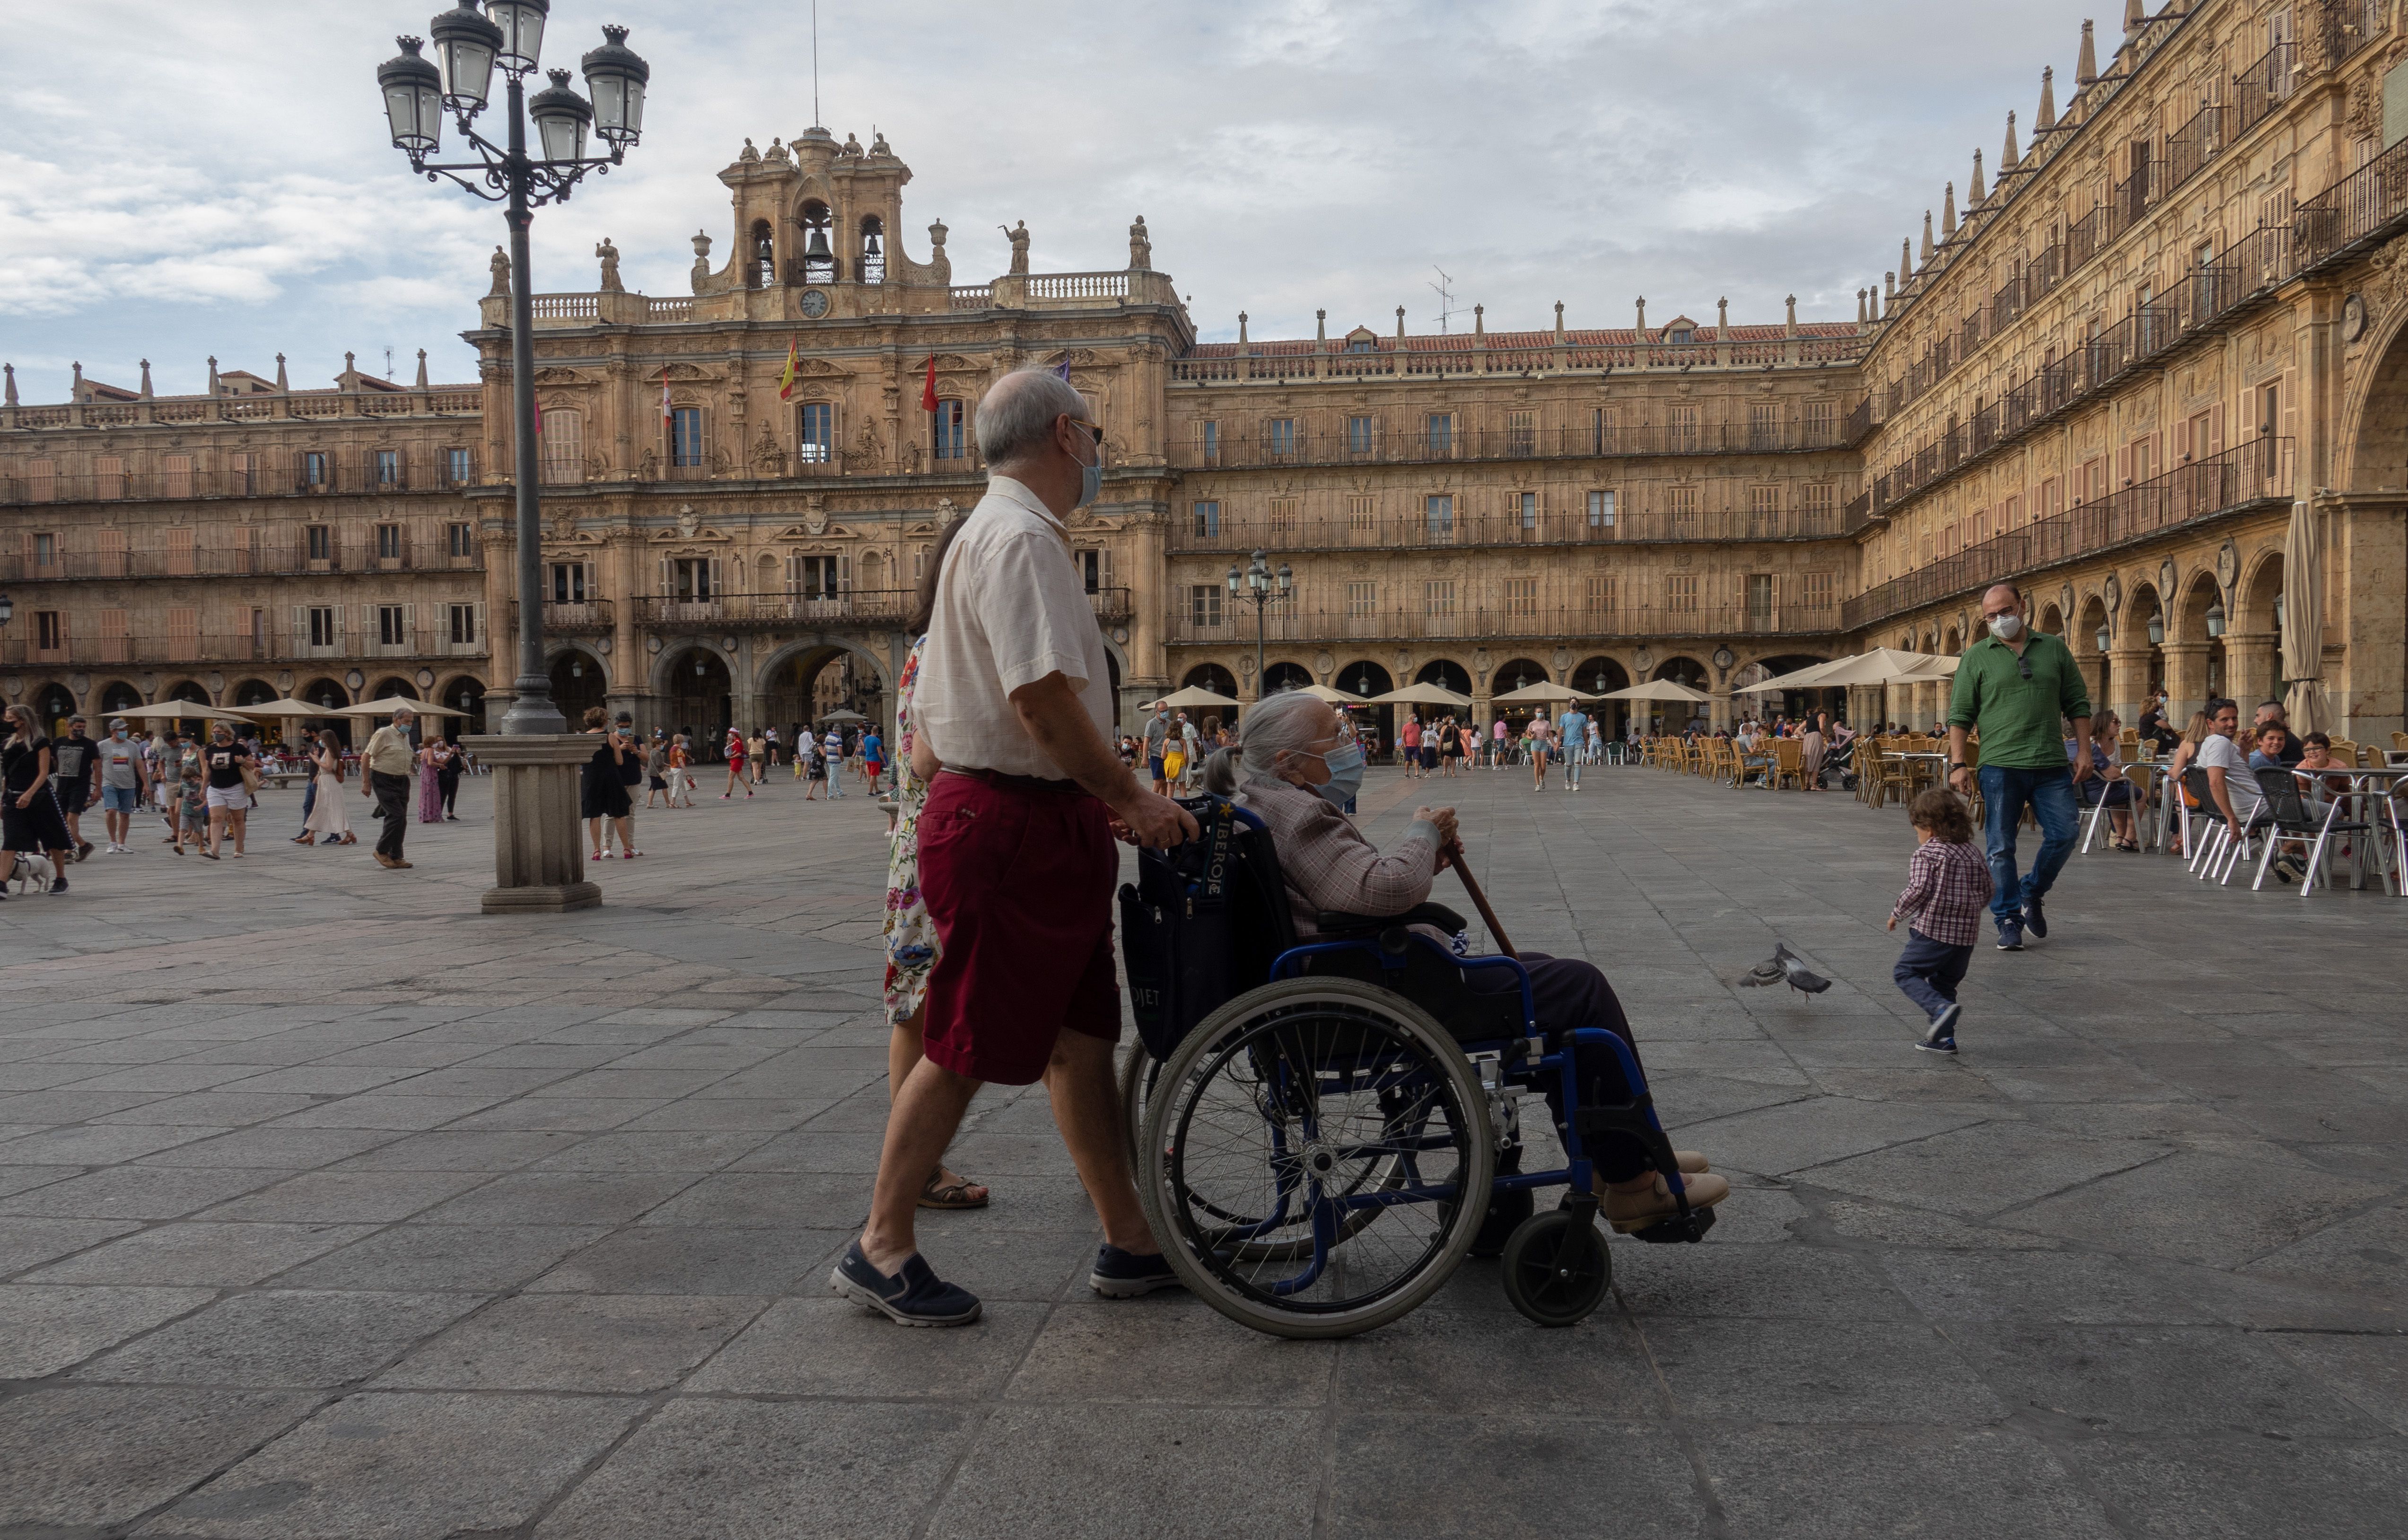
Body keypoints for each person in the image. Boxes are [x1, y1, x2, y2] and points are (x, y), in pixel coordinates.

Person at [837, 367, 1196, 1328]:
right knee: (961, 1042)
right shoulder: (1018, 539)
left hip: (1037, 818)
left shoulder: (1005, 534)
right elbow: (1039, 701)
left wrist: (1101, 802)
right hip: (1006, 822)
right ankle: (881, 1244)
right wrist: (1127, 793)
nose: (1102, 453)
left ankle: (1129, 1236)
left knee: (1082, 1040)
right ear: (1067, 436)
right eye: (1096, 435)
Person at [1199, 692, 1726, 1232]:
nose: (1348, 746)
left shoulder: (1266, 804)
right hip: (1371, 988)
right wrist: (1422, 833)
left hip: (1346, 977)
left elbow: (1343, 887)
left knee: (1542, 974)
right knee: (1578, 988)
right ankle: (1635, 1184)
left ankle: (1617, 1158)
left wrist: (1426, 857)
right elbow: (1378, 888)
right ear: (1288, 761)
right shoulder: (1298, 812)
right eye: (1334, 738)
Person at [881, 514, 988, 1212]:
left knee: (917, 1003)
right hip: (938, 844)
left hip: (923, 839)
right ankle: (916, 1166)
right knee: (918, 1003)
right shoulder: (943, 649)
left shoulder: (934, 646)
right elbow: (926, 756)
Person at [1945, 583, 2092, 951]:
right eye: (1991, 616)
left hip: (2050, 762)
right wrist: (1958, 763)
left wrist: (2084, 750)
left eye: (2005, 611)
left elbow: (2077, 702)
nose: (1999, 620)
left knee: (2065, 834)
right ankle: (2007, 918)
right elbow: (1960, 714)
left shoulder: (2054, 648)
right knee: (1999, 847)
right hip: (1999, 765)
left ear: (2022, 607)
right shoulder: (1977, 656)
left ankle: (2032, 890)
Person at [1888, 787, 1993, 1055]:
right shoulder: (1973, 852)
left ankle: (1939, 1008)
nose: (1918, 837)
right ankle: (1944, 1040)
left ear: (1929, 828)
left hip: (1933, 931)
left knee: (1906, 973)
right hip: (1966, 938)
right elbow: (1988, 890)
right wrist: (1969, 910)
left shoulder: (1928, 854)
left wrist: (1898, 913)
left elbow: (1919, 889)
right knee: (1945, 984)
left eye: (1917, 831)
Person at [1, 705, 75, 895]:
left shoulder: (40, 742)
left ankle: (61, 878)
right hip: (13, 797)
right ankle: (1, 883)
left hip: (41, 797)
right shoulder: (7, 745)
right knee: (10, 840)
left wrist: (29, 794)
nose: (6, 721)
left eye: (10, 718)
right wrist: (2, 799)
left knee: (52, 838)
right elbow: (6, 776)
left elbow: (44, 773)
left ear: (22, 721)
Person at [359, 706, 418, 870]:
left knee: (402, 819)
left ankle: (397, 856)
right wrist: (366, 782)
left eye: (412, 721)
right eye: (406, 721)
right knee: (396, 815)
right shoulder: (383, 733)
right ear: (396, 720)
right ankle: (381, 851)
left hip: (402, 780)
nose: (410, 724)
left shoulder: (405, 736)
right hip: (383, 778)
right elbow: (366, 757)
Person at [2076, 709, 2139, 851]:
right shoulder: (2091, 744)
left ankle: (2120, 837)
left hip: (2103, 787)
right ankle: (2130, 837)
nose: (2119, 725)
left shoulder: (2115, 744)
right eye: (2115, 722)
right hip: (2092, 789)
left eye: (2120, 722)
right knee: (2140, 794)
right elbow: (2114, 771)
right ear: (2104, 723)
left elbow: (2116, 769)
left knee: (2120, 790)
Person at [581, 708, 637, 860]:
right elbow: (620, 761)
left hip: (591, 779)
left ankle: (597, 850)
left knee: (595, 816)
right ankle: (627, 849)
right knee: (619, 814)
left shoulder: (582, 738)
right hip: (611, 778)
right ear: (604, 721)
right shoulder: (610, 737)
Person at [198, 722, 256, 861]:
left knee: (237, 819)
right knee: (216, 818)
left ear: (227, 733)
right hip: (216, 788)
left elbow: (252, 765)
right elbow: (207, 770)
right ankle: (215, 850)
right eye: (214, 732)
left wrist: (243, 761)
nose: (215, 735)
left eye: (219, 732)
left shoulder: (238, 748)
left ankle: (239, 848)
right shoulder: (211, 750)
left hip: (236, 787)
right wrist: (204, 787)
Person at [90, 719, 148, 855]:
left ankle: (122, 843)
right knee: (111, 811)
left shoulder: (133, 746)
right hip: (109, 782)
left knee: (125, 814)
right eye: (120, 730)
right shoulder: (102, 745)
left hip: (128, 783)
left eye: (125, 730)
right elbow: (97, 766)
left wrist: (146, 783)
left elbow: (140, 765)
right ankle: (112, 841)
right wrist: (96, 785)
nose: (123, 732)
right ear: (113, 731)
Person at [51, 716, 97, 861]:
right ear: (69, 726)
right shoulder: (59, 742)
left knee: (72, 818)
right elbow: (52, 761)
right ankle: (83, 845)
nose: (81, 730)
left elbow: (98, 767)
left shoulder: (90, 744)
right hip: (62, 786)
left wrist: (98, 788)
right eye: (78, 727)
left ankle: (68, 851)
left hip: (81, 786)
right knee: (63, 820)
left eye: (83, 727)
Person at [298, 729, 354, 847]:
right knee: (324, 807)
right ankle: (311, 834)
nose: (321, 741)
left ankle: (311, 835)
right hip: (326, 781)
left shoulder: (330, 751)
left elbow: (328, 767)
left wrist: (316, 759)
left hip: (329, 782)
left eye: (323, 739)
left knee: (328, 807)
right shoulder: (332, 751)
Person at [2252, 701, 2307, 767]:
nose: (2276, 742)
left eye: (2258, 716)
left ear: (2269, 716)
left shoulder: (2275, 758)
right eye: (2271, 738)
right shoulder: (2257, 760)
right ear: (2260, 741)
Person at [1559, 704, 1589, 792]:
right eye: (1572, 702)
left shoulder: (1583, 717)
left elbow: (1584, 731)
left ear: (1578, 705)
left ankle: (1576, 783)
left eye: (1575, 702)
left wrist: (1586, 744)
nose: (1573, 704)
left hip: (1579, 742)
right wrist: (1557, 743)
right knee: (1568, 765)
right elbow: (1560, 730)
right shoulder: (1564, 717)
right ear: (1569, 704)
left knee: (1578, 762)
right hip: (1568, 743)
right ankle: (1568, 780)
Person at [1144, 705, 1172, 794]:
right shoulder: (1151, 724)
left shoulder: (1170, 723)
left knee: (1165, 783)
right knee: (1158, 782)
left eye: (1166, 710)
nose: (1165, 713)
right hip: (1156, 755)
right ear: (1157, 712)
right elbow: (1147, 741)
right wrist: (1145, 758)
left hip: (1168, 756)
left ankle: (1161, 802)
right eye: (1162, 711)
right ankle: (1152, 802)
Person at [644, 733, 672, 809]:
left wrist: (665, 764)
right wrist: (665, 766)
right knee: (664, 787)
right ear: (657, 745)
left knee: (653, 788)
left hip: (652, 773)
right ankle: (668, 803)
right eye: (661, 744)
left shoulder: (652, 752)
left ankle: (650, 803)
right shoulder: (657, 753)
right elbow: (659, 764)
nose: (662, 745)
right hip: (658, 773)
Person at [723, 726, 750, 799]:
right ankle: (750, 793)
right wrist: (728, 742)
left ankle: (728, 795)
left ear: (734, 734)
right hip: (736, 762)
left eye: (730, 734)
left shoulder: (737, 741)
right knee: (741, 778)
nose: (729, 735)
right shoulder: (735, 741)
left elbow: (739, 753)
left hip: (736, 762)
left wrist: (731, 757)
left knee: (730, 778)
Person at [823, 724, 847, 798]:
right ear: (839, 731)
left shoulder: (828, 737)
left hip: (829, 759)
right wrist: (842, 758)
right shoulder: (838, 739)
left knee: (836, 776)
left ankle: (840, 792)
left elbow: (825, 749)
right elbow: (840, 751)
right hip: (835, 760)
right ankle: (829, 794)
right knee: (833, 777)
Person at [861, 725, 885, 793]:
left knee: (874, 776)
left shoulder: (866, 738)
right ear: (877, 732)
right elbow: (880, 752)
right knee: (873, 775)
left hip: (868, 759)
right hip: (875, 759)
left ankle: (877, 790)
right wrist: (884, 761)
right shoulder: (877, 740)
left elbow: (863, 748)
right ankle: (870, 792)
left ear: (871, 731)